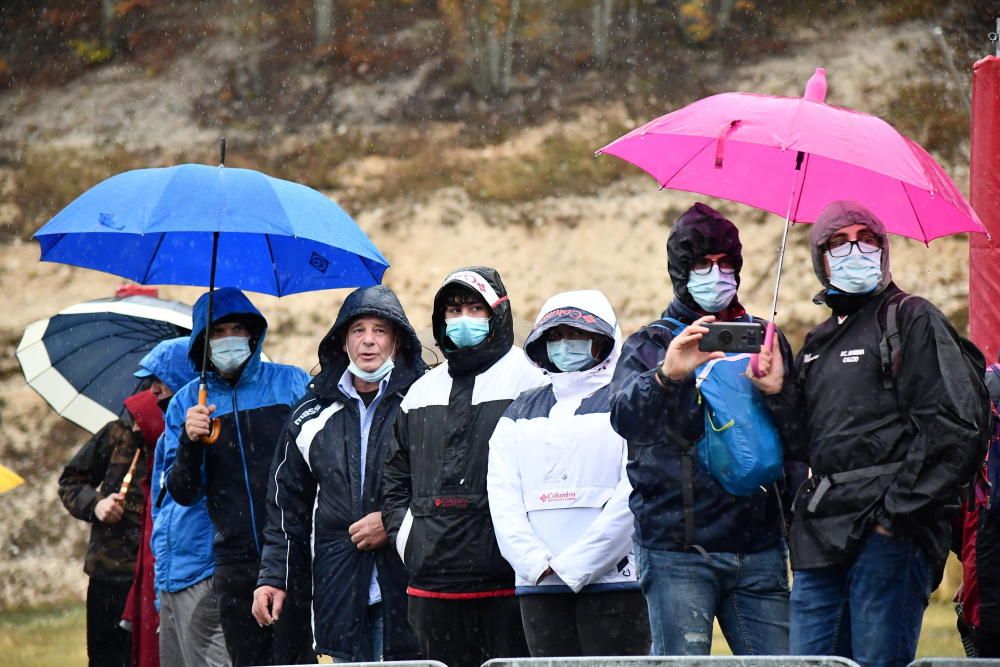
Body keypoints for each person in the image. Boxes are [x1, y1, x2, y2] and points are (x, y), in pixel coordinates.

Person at [753, 200, 985, 666]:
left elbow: (958, 424)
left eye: (866, 239)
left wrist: (895, 516)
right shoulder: (817, 343)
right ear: (820, 259)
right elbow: (807, 443)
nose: (853, 250)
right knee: (810, 663)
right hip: (821, 535)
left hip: (890, 535)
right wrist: (777, 391)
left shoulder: (911, 318)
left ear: (884, 251)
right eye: (838, 242)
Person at [609, 202, 796, 656]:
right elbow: (623, 417)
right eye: (701, 265)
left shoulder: (765, 339)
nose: (716, 275)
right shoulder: (651, 343)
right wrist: (667, 376)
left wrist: (778, 393)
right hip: (678, 550)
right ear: (680, 271)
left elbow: (799, 439)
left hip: (760, 547)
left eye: (725, 264)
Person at [382, 267, 548, 667]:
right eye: (454, 310)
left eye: (476, 308)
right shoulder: (420, 392)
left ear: (498, 315)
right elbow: (393, 480)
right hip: (431, 588)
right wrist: (410, 541)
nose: (463, 319)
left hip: (507, 587)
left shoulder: (531, 382)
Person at [254, 286, 426, 661]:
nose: (368, 341)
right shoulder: (309, 415)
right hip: (338, 589)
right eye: (357, 330)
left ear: (397, 340)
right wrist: (273, 578)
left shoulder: (424, 402)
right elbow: (286, 510)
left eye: (380, 330)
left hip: (409, 587)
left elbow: (444, 487)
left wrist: (392, 522)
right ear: (342, 341)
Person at [488, 289, 650, 657]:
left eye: (577, 335)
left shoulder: (627, 400)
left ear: (603, 340)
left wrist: (579, 565)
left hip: (616, 583)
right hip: (537, 586)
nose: (565, 345)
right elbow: (502, 496)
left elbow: (634, 491)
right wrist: (535, 564)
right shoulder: (518, 412)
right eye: (556, 336)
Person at [165, 287, 313, 667]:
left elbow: (318, 466)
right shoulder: (187, 403)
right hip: (234, 563)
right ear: (202, 341)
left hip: (292, 552)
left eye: (236, 329)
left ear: (253, 334)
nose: (228, 339)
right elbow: (182, 492)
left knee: (297, 659)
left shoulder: (292, 384)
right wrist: (190, 440)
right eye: (217, 332)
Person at [138, 336, 230, 667]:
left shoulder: (213, 428)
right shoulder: (166, 437)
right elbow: (164, 509)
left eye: (160, 378)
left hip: (203, 574)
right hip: (170, 578)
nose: (153, 389)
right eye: (150, 381)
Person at [59, 390, 149, 667]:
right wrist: (96, 505)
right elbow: (71, 481)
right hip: (110, 574)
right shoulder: (118, 434)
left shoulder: (187, 439)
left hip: (157, 580)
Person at [120, 388, 166, 667]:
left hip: (163, 579)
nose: (134, 427)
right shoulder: (142, 455)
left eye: (139, 418)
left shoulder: (166, 466)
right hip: (121, 569)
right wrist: (96, 504)